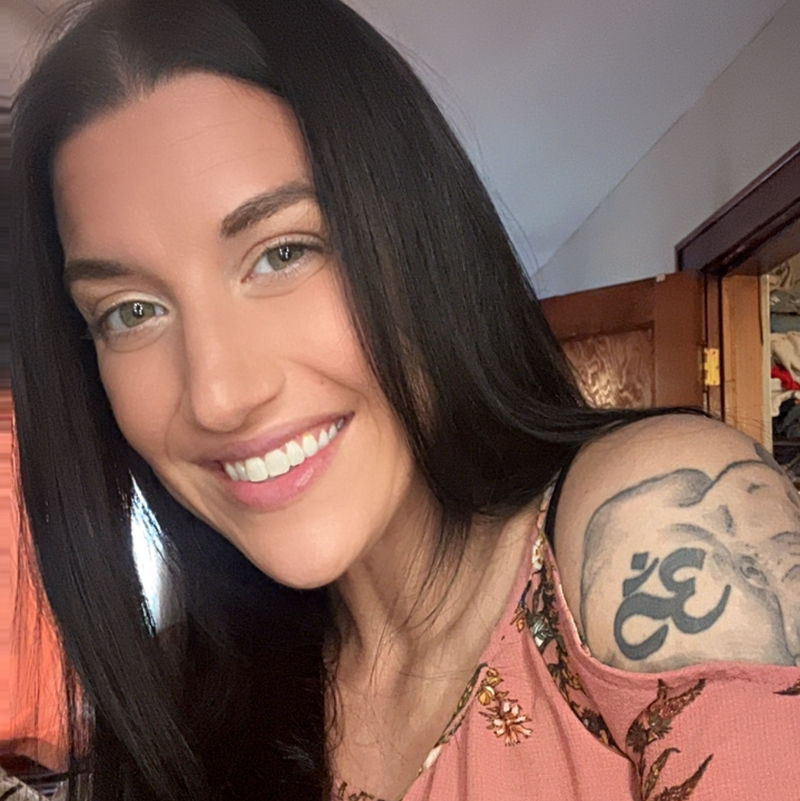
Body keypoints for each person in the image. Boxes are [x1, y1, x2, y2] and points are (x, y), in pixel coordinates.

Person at [10, 0, 800, 799]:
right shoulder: (187, 696)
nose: (217, 395)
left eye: (283, 253)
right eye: (131, 312)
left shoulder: (648, 520)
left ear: (420, 238)